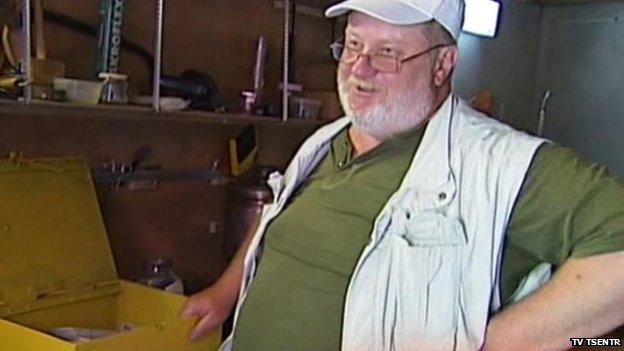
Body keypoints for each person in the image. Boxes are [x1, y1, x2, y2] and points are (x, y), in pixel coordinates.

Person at [181, 0, 624, 349]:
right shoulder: (326, 141)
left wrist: (496, 344)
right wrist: (224, 295)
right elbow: (275, 216)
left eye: (387, 53)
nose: (359, 67)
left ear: (443, 64)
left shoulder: (495, 163)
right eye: (353, 45)